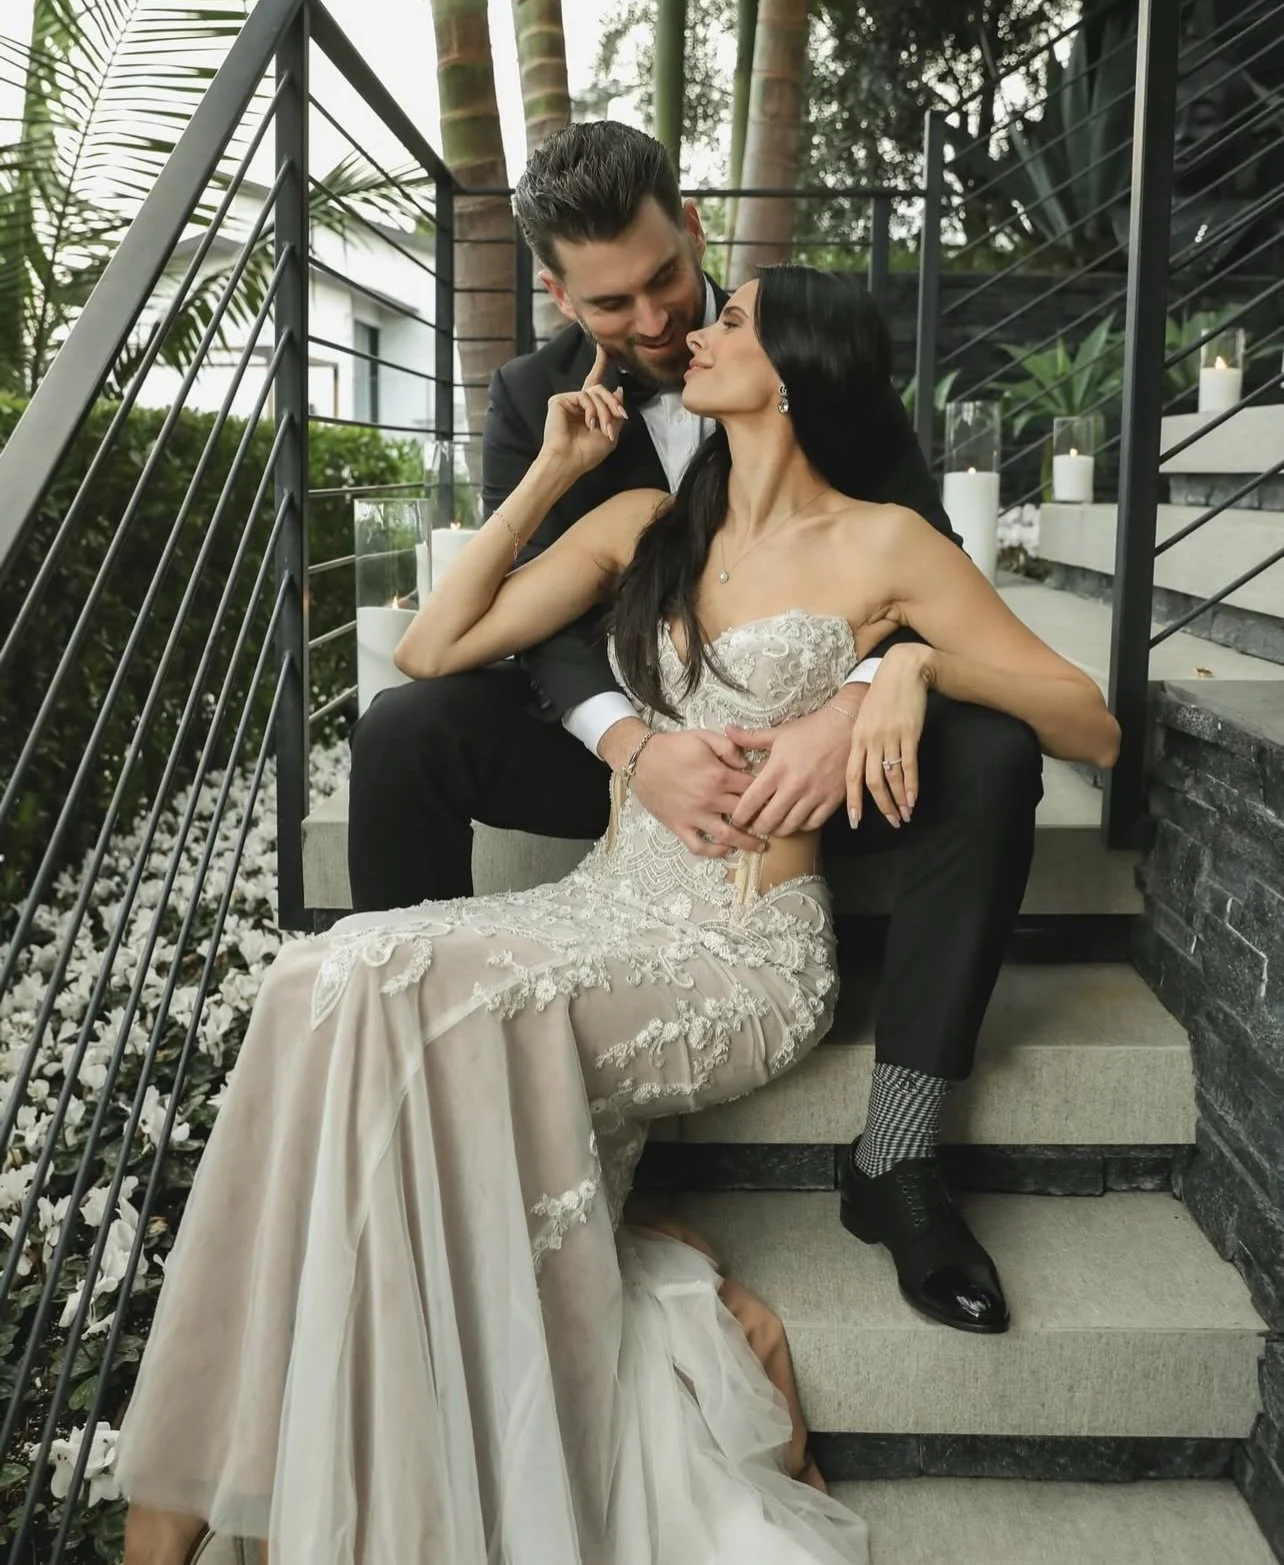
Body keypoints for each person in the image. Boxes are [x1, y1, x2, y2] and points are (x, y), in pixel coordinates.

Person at [114, 263, 1120, 1565]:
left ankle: (256, 1483)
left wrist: (907, 666)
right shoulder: (648, 520)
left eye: (732, 320)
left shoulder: (885, 544)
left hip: (743, 949)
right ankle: (186, 1487)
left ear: (798, 372)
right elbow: (428, 650)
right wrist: (548, 475)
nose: (694, 334)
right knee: (319, 978)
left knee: (411, 993)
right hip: (605, 903)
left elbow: (1089, 721)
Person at [349, 123, 1047, 1334]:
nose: (660, 319)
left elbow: (926, 560)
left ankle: (898, 1150)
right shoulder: (528, 398)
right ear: (559, 294)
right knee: (405, 728)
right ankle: (418, 1078)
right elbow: (540, 633)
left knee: (995, 751)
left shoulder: (797, 338)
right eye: (612, 303)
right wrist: (634, 747)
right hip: (628, 759)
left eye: (669, 278)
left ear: (693, 230)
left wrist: (869, 686)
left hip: (806, 772)